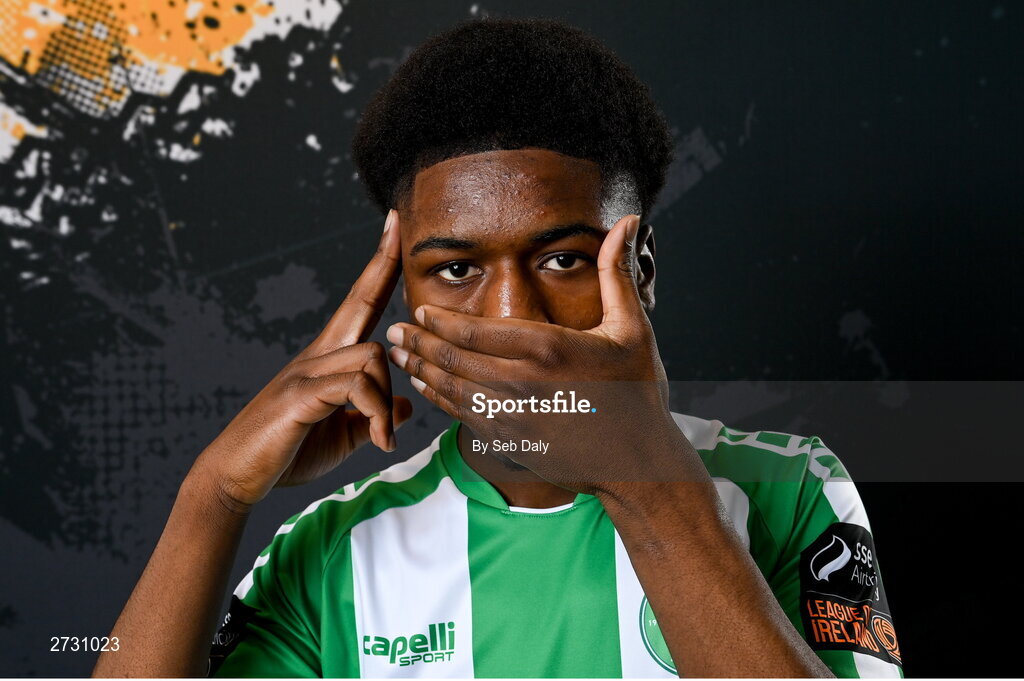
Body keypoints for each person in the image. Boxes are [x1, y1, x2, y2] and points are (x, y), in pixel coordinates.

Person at [93, 17, 902, 679]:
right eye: (455, 268)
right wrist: (213, 498)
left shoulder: (791, 486)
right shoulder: (337, 550)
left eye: (562, 259)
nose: (514, 318)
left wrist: (652, 488)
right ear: (403, 294)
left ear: (639, 269)